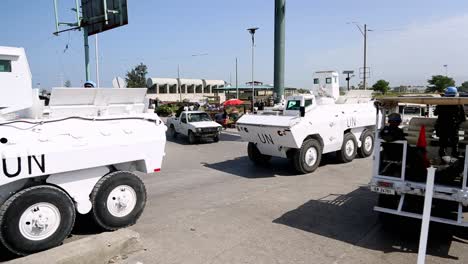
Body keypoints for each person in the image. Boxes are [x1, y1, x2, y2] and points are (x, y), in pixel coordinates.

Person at [434, 86, 466, 157]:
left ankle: (443, 159)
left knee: (442, 145)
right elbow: (463, 118)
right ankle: (454, 159)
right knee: (454, 145)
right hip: (453, 127)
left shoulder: (442, 102)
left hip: (442, 126)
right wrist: (457, 124)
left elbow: (435, 113)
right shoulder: (459, 103)